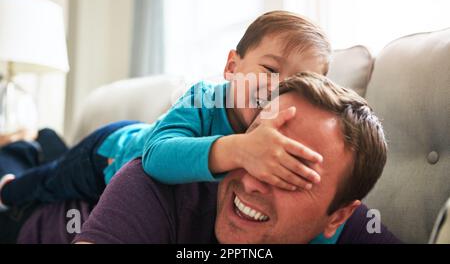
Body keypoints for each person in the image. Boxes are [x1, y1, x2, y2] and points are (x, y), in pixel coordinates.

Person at [0, 11, 330, 212]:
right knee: (48, 183)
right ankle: (11, 183)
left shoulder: (283, 131)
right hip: (108, 153)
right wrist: (238, 150)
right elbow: (156, 156)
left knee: (54, 154)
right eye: (270, 69)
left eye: (298, 83)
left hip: (130, 139)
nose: (278, 89)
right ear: (232, 66)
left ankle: (41, 141)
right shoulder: (204, 99)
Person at [50, 72, 396, 243]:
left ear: (337, 215)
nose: (251, 178)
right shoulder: (156, 182)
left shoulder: (350, 225)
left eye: (290, 170)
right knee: (36, 165)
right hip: (97, 163)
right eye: (259, 143)